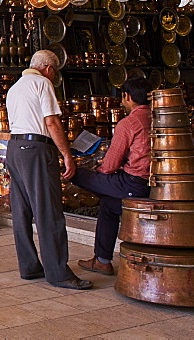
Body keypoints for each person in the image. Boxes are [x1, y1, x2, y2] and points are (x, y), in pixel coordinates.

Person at [4, 49, 92, 290]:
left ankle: (30, 266)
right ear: (49, 69)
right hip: (36, 150)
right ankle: (58, 273)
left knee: (21, 211)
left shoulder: (15, 88)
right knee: (48, 211)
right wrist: (67, 154)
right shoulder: (42, 83)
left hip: (14, 148)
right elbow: (51, 122)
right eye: (55, 73)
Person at [73, 77, 152, 275]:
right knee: (108, 205)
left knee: (77, 174)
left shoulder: (129, 122)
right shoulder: (157, 117)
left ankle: (101, 259)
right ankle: (102, 260)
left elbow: (110, 165)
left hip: (133, 184)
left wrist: (99, 174)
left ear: (127, 96)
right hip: (150, 185)